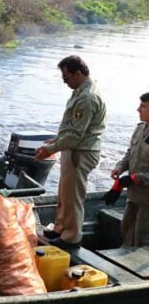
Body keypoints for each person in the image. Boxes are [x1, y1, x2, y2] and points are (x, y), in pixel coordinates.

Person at [36, 55, 106, 249]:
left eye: (66, 76)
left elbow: (75, 135)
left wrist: (50, 149)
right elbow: (71, 127)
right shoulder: (80, 90)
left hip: (81, 152)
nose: (64, 81)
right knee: (64, 192)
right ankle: (60, 227)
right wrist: (57, 141)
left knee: (73, 196)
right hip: (73, 148)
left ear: (78, 73)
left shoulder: (87, 97)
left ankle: (72, 237)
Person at [104, 92, 149, 247]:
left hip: (147, 199)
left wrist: (135, 178)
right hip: (133, 195)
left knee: (142, 239)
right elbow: (130, 154)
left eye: (143, 106)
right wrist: (120, 168)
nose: (138, 109)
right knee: (127, 230)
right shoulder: (140, 128)